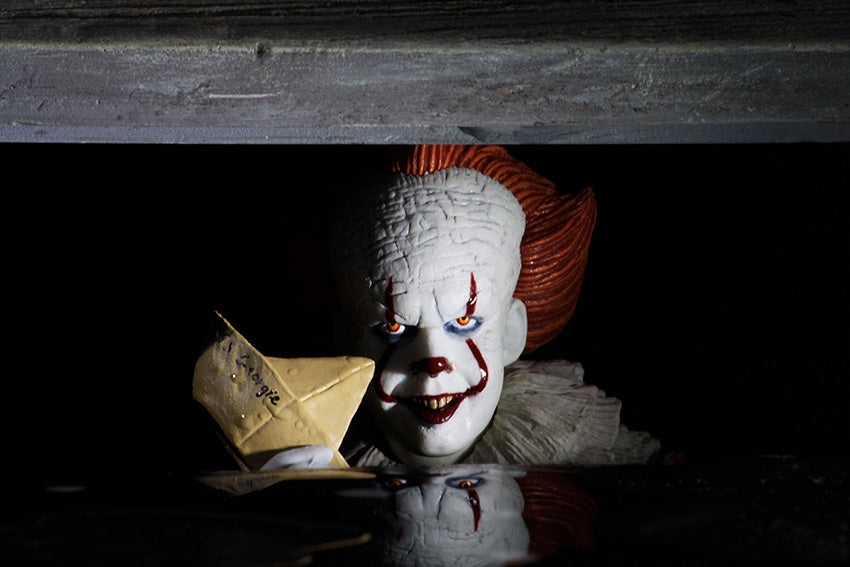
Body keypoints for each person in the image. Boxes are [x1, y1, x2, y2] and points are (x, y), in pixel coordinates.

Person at [328, 145, 659, 467]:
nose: (433, 363)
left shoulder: (569, 442)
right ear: (346, 341)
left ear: (511, 332)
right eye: (394, 327)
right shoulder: (326, 454)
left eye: (463, 321)